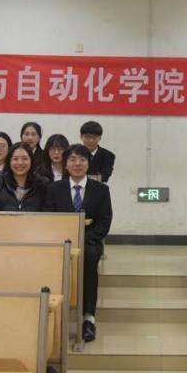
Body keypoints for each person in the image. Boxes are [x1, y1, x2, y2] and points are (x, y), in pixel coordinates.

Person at [44, 144, 112, 342]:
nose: (77, 164)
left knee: (89, 258)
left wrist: (85, 239)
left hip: (89, 241)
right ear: (65, 164)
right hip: (60, 241)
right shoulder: (54, 189)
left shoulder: (101, 190)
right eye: (72, 159)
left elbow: (105, 220)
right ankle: (54, 316)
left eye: (82, 159)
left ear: (88, 164)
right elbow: (49, 217)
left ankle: (88, 318)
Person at [0, 142, 47, 212]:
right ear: (9, 161)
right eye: (15, 159)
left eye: (25, 159)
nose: (20, 162)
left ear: (31, 161)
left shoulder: (42, 185)